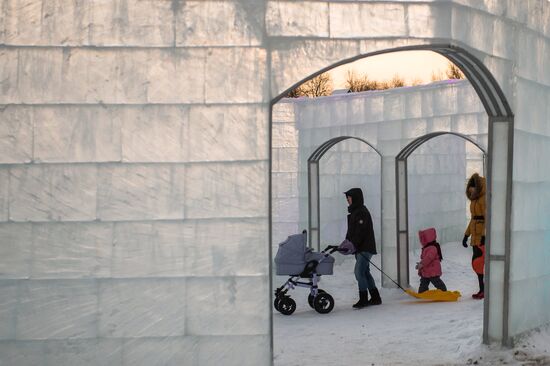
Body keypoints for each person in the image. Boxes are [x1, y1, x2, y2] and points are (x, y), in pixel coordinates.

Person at [343, 188, 381, 309]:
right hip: (361, 247)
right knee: (365, 272)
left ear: (355, 198)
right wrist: (347, 243)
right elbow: (353, 231)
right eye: (347, 198)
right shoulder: (356, 211)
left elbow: (360, 232)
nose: (348, 200)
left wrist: (352, 244)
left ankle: (364, 299)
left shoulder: (361, 212)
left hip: (364, 247)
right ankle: (375, 297)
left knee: (359, 272)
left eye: (349, 197)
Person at [462, 173, 486, 300]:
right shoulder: (474, 200)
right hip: (475, 236)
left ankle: (484, 290)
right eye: (469, 192)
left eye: (472, 191)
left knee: (479, 262)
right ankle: (482, 288)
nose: (471, 194)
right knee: (476, 263)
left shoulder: (484, 199)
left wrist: (484, 236)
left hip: (482, 236)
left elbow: (487, 218)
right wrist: (466, 235)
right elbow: (473, 219)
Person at [416, 228, 447, 293]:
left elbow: (428, 258)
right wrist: (420, 264)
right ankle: (422, 293)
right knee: (423, 283)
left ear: (427, 239)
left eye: (423, 239)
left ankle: (444, 292)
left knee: (436, 282)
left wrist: (421, 264)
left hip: (432, 270)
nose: (421, 241)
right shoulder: (427, 248)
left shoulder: (432, 248)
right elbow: (425, 259)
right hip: (426, 270)